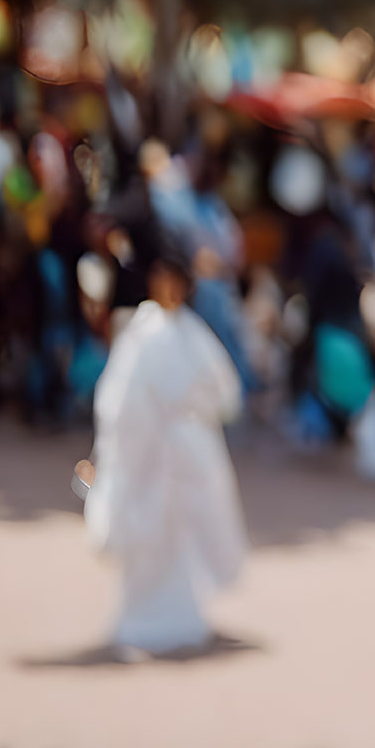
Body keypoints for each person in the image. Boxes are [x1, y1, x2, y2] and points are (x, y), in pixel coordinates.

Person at [79, 249, 248, 656]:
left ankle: (179, 613)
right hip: (149, 456)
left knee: (180, 536)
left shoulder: (191, 332)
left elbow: (224, 393)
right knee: (149, 535)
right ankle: (147, 615)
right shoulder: (143, 332)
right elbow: (119, 401)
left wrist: (190, 424)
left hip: (183, 455)